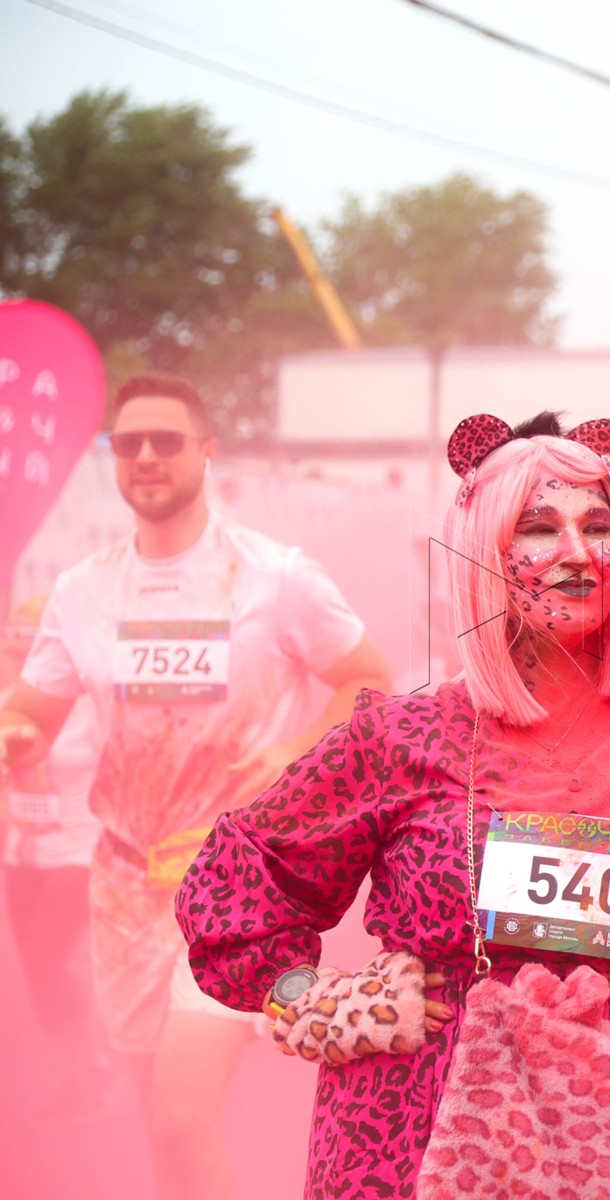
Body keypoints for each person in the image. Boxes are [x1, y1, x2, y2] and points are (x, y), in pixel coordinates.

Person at [175, 411, 610, 1199]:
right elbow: (236, 876)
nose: (577, 552)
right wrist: (322, 1003)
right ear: (484, 553)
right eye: (539, 528)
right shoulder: (409, 732)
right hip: (417, 1132)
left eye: (597, 526)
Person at [0, 373, 390, 1200]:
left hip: (236, 886)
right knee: (160, 1119)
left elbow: (367, 681)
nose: (145, 455)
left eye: (166, 440)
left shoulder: (276, 576)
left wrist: (293, 751)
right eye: (128, 441)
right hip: (124, 885)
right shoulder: (83, 590)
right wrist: (17, 736)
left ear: (206, 452)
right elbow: (32, 710)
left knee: (181, 1114)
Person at [1, 596, 109, 1115]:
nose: (24, 663)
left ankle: (98, 1064)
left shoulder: (92, 707)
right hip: (22, 853)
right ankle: (81, 1072)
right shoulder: (8, 702)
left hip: (80, 850)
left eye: (32, 651)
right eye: (15, 651)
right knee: (37, 972)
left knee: (46, 957)